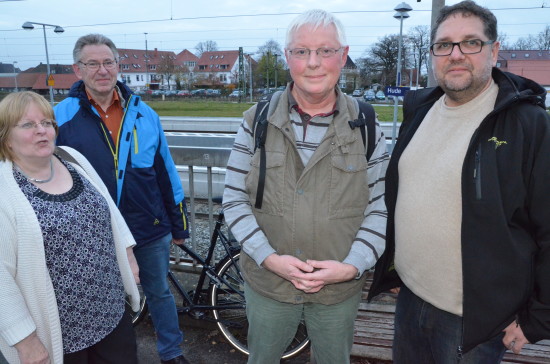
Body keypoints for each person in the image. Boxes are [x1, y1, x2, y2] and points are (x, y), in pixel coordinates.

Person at [367, 1, 550, 363]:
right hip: (410, 299)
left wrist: (538, 318)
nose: (455, 54)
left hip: (474, 322)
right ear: (433, 53)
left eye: (470, 43)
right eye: (444, 45)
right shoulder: (419, 110)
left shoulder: (527, 124)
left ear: (494, 50)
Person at [223, 9, 388, 364]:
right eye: (301, 52)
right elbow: (234, 199)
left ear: (343, 56)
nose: (313, 63)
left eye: (325, 51)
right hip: (269, 286)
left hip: (338, 292)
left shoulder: (368, 125)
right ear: (288, 58)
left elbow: (382, 207)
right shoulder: (256, 120)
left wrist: (352, 266)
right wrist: (268, 259)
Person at [54, 34, 190, 364]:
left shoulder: (146, 115)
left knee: (159, 293)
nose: (102, 70)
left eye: (108, 62)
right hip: (95, 233)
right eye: (93, 63)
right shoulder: (59, 117)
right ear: (77, 69)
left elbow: (166, 173)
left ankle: (171, 353)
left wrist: (178, 224)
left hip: (149, 227)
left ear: (118, 66)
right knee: (107, 299)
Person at [0, 91, 141, 364]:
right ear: (5, 135)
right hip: (57, 337)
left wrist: (128, 253)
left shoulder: (72, 158)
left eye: (47, 122)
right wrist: (25, 341)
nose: (42, 131)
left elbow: (109, 210)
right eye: (28, 125)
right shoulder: (4, 190)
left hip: (111, 315)